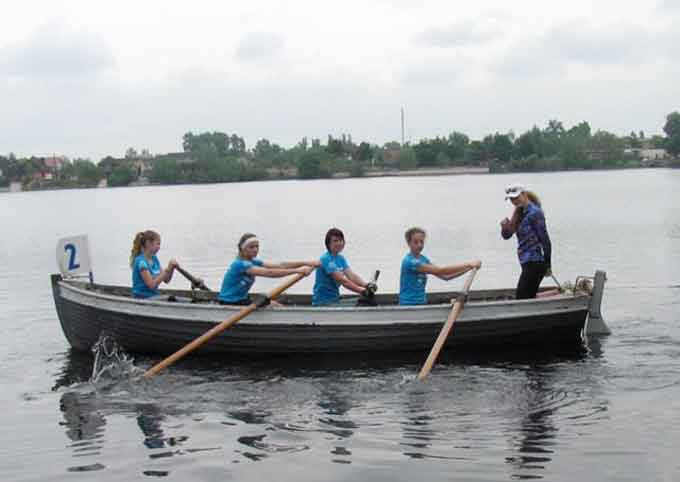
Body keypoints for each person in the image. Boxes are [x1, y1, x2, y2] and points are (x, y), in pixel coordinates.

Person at [218, 233, 316, 305]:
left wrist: (305, 263)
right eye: (251, 247)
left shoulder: (253, 261)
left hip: (241, 299)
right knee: (276, 305)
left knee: (276, 304)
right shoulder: (240, 264)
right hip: (230, 302)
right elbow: (270, 273)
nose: (255, 250)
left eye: (257, 246)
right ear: (242, 249)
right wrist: (297, 271)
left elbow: (280, 265)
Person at [399, 227, 481, 305]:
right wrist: (469, 264)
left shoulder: (423, 259)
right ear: (409, 243)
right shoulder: (410, 262)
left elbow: (446, 276)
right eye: (416, 242)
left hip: (421, 303)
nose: (419, 245)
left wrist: (469, 268)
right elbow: (440, 270)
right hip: (409, 304)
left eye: (422, 242)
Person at [500, 184, 552, 299]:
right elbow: (507, 235)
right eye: (511, 199)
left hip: (535, 262)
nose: (514, 201)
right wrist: (504, 226)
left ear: (524, 194)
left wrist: (548, 265)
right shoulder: (519, 213)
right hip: (525, 262)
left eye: (516, 197)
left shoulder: (535, 213)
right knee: (528, 296)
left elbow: (545, 240)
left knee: (521, 296)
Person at [312, 228, 377, 306]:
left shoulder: (340, 258)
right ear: (328, 243)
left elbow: (352, 276)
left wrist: (366, 285)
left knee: (367, 300)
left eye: (341, 240)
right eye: (335, 241)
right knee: (365, 302)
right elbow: (343, 281)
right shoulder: (326, 259)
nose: (339, 243)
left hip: (335, 299)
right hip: (323, 303)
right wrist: (362, 291)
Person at [130, 230, 178, 299]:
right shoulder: (141, 262)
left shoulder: (154, 259)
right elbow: (152, 285)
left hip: (154, 297)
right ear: (148, 243)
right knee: (171, 298)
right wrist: (167, 270)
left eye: (159, 244)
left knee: (172, 298)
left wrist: (171, 269)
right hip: (142, 298)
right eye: (157, 244)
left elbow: (166, 280)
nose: (159, 247)